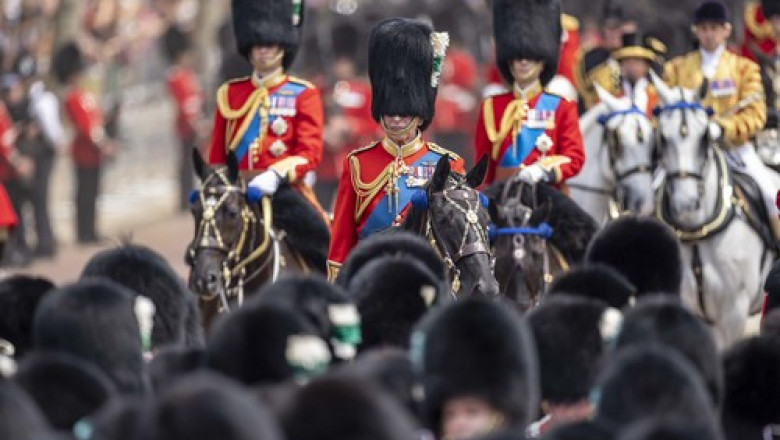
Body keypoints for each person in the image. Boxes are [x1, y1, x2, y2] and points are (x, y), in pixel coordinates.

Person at [326, 18, 466, 281]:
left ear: (419, 112)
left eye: (404, 113)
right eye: (390, 113)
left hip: (427, 278)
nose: (396, 119)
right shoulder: (356, 163)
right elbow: (342, 245)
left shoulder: (448, 164)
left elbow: (458, 242)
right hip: (370, 280)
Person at [663, 1, 780, 227]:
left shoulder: (745, 69)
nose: (709, 35)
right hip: (686, 151)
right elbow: (663, 112)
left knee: (769, 194)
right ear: (696, 31)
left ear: (726, 31)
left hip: (734, 149)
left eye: (715, 28)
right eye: (704, 29)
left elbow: (756, 115)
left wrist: (723, 128)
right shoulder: (675, 70)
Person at [208, 0, 326, 218]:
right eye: (257, 45)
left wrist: (275, 175)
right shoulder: (230, 94)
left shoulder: (303, 93)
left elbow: (309, 153)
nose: (262, 50)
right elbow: (217, 157)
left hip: (285, 190)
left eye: (269, 44)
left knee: (320, 242)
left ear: (282, 46)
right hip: (237, 193)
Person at [474, 0, 584, 188]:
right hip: (502, 200)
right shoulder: (492, 107)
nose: (523, 62)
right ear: (508, 61)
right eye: (517, 57)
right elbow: (483, 167)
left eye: (531, 57)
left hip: (547, 198)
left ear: (542, 62)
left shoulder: (562, 106)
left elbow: (574, 157)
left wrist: (544, 169)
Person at [53, 42, 118, 244]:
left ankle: (91, 228)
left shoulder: (85, 95)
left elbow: (96, 120)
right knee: (84, 192)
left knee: (93, 191)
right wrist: (103, 143)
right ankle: (84, 232)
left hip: (93, 151)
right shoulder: (72, 98)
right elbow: (85, 127)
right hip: (83, 151)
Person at [15, 52, 64, 257]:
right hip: (37, 152)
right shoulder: (33, 97)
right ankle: (44, 240)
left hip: (43, 152)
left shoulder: (43, 98)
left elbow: (52, 129)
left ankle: (46, 242)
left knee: (40, 197)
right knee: (37, 197)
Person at [161, 24, 205, 211]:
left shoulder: (186, 74)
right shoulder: (175, 76)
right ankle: (185, 199)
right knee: (186, 164)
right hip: (185, 125)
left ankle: (190, 195)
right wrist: (196, 123)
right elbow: (185, 104)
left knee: (191, 162)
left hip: (192, 122)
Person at [606, 31, 663, 116]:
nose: (632, 67)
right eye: (627, 62)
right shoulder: (611, 96)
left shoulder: (657, 97)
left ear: (646, 66)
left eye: (637, 62)